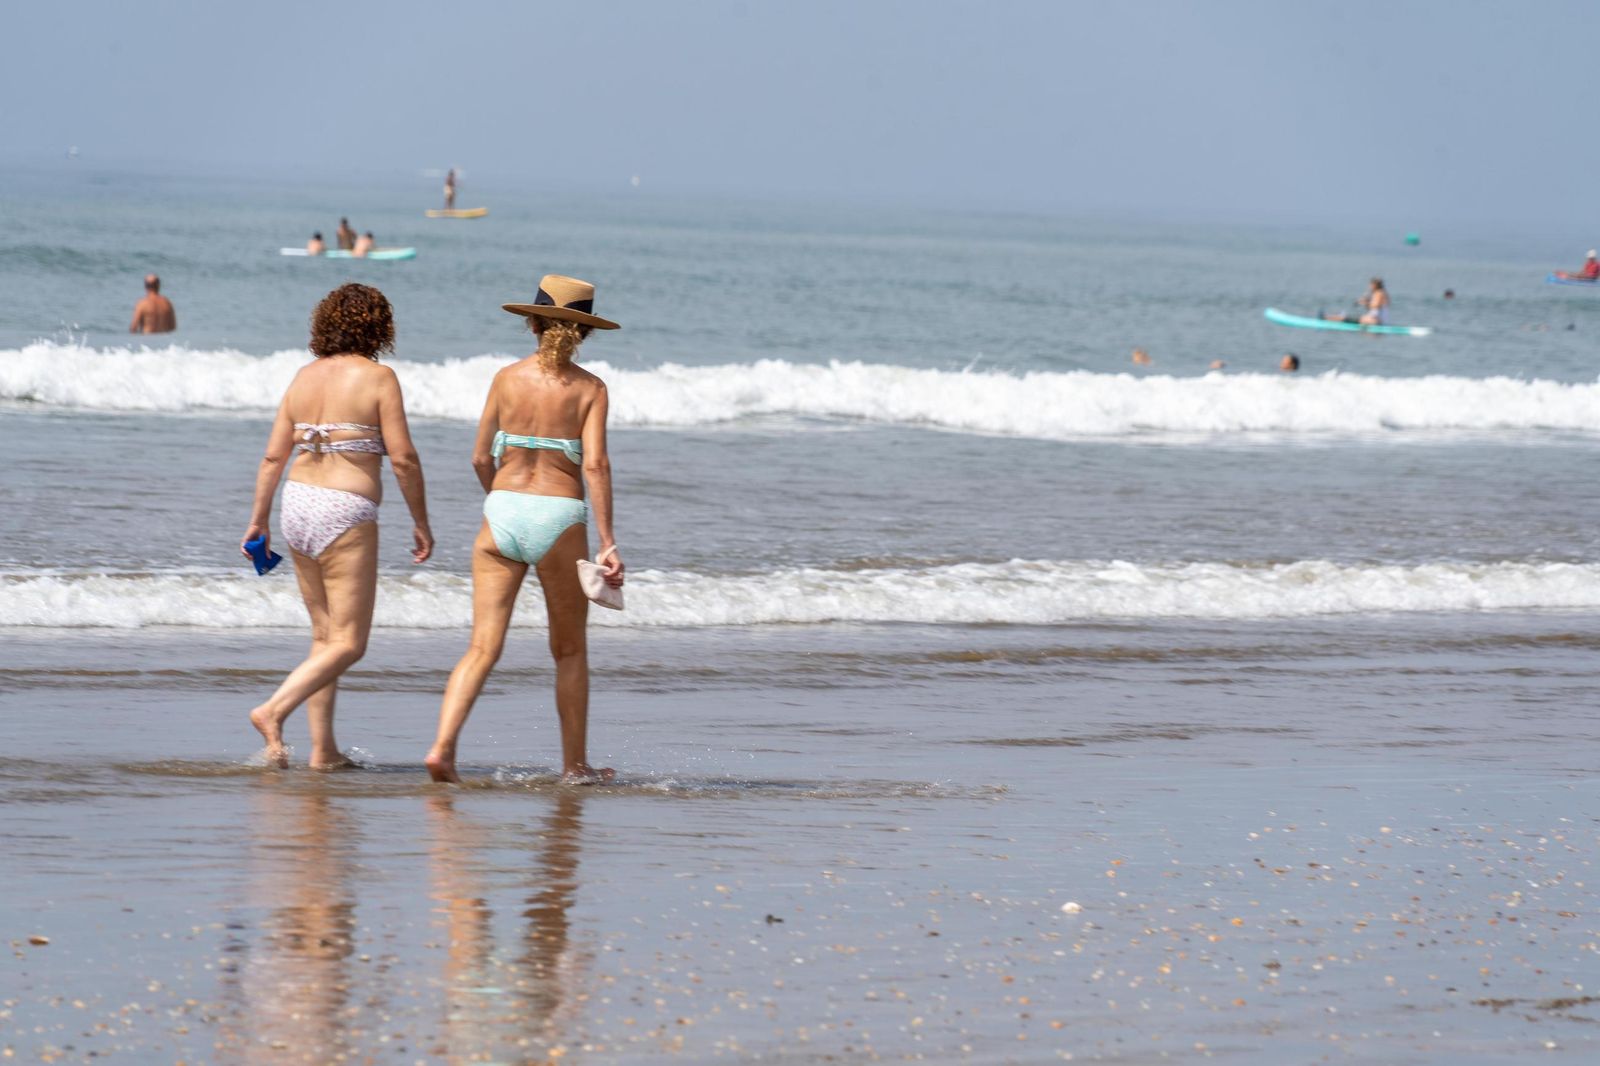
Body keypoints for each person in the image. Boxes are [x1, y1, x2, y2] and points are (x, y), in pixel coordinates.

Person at [425, 274, 625, 785]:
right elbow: (596, 466)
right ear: (583, 332)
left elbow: (476, 456)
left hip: (502, 512)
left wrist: (501, 499)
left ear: (532, 322)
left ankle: (443, 748)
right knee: (570, 650)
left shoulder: (504, 378)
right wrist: (607, 541)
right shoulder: (591, 389)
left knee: (481, 647)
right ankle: (574, 767)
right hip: (558, 516)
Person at [240, 284, 433, 768]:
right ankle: (272, 710)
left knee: (325, 638)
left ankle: (323, 751)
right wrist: (421, 521)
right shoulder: (379, 378)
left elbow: (271, 456)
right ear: (378, 326)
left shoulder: (303, 378)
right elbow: (404, 459)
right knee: (350, 642)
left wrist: (257, 520)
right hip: (344, 508)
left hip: (297, 503)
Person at [1321, 278, 1389, 326]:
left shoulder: (1379, 293)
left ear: (1375, 285)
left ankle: (1326, 318)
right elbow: (1374, 307)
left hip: (1376, 321)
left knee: (1347, 318)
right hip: (1375, 319)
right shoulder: (1379, 293)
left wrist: (1365, 303)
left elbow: (1375, 306)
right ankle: (1329, 317)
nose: (1370, 286)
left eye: (1371, 285)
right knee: (1350, 318)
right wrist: (1364, 301)